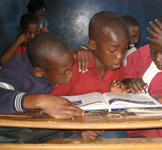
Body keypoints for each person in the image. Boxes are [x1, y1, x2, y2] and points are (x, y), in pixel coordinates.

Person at [50, 11, 130, 140]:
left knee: (118, 134)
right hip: (71, 127)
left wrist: (118, 95)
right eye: (112, 50)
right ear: (93, 44)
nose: (120, 56)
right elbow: (51, 106)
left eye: (125, 49)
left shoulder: (117, 69)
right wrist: (79, 130)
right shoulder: (73, 68)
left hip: (103, 127)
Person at [0, 32, 83, 143]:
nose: (71, 74)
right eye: (64, 72)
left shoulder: (55, 61)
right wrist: (41, 101)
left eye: (70, 67)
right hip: (16, 132)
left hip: (44, 128)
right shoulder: (15, 72)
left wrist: (82, 49)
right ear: (38, 72)